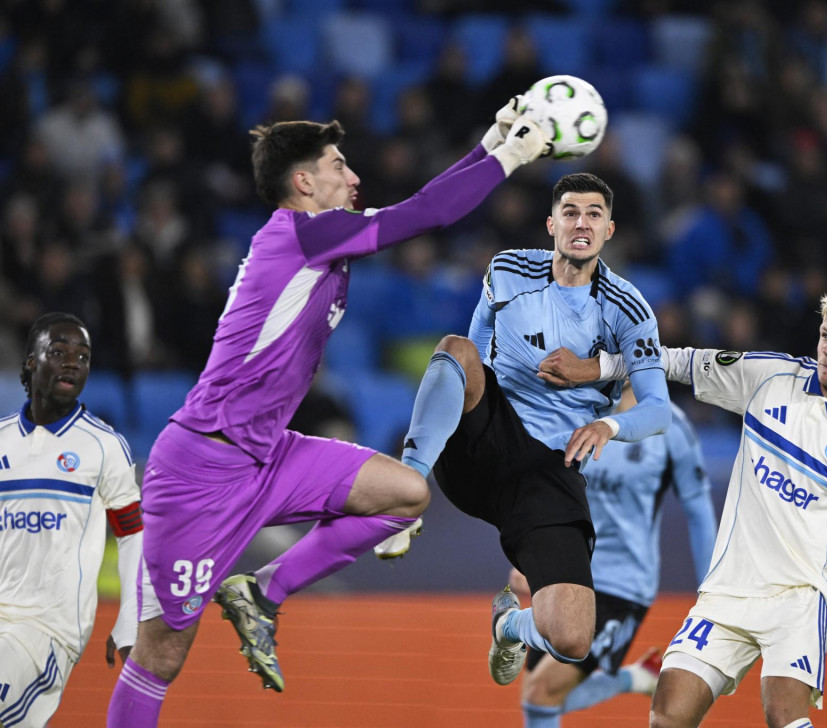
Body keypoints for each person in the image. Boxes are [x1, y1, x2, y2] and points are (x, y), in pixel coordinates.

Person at [106, 99, 551, 727]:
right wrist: (510, 157)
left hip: (270, 452)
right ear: (304, 182)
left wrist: (488, 143)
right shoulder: (302, 234)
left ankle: (263, 592)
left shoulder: (316, 237)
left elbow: (420, 205)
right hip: (203, 467)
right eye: (339, 165)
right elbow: (426, 212)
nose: (354, 176)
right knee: (160, 656)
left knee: (405, 493)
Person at [540, 285, 827, 728]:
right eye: (826, 335)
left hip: (800, 599)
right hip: (727, 593)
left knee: (783, 715)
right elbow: (678, 361)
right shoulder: (770, 377)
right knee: (667, 716)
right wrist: (598, 367)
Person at [392, 172, 672, 687]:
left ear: (609, 229)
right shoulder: (507, 269)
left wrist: (608, 424)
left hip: (550, 469)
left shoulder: (628, 308)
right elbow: (475, 346)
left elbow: (658, 408)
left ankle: (509, 625)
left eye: (593, 214)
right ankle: (404, 490)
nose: (581, 223)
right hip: (487, 439)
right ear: (551, 224)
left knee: (572, 637)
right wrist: (472, 401)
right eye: (571, 212)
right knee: (455, 348)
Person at [512, 380, 718, 727]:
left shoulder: (669, 425)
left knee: (541, 692)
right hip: (566, 570)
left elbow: (698, 508)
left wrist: (712, 591)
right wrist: (526, 559)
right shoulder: (573, 411)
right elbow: (542, 494)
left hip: (623, 583)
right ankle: (636, 678)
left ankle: (634, 678)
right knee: (537, 696)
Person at [0, 312, 142, 728]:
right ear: (32, 361)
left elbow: (133, 534)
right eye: (59, 352)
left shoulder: (103, 446)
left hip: (48, 628)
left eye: (83, 356)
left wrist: (129, 618)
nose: (72, 363)